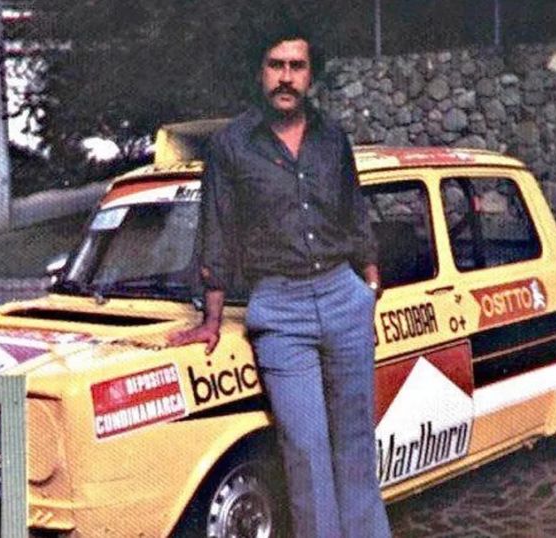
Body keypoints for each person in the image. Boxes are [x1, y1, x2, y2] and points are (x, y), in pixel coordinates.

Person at [168, 24, 391, 538]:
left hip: (343, 297)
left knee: (356, 444)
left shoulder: (332, 138)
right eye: (276, 66)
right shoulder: (231, 145)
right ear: (259, 72)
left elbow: (355, 214)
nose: (286, 77)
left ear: (311, 75)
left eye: (297, 66)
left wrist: (370, 287)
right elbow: (218, 229)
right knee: (306, 452)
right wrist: (211, 318)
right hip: (280, 310)